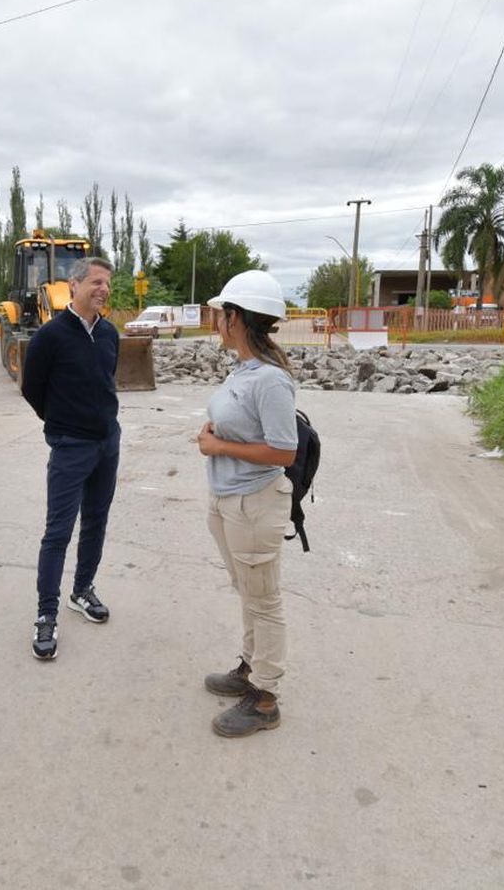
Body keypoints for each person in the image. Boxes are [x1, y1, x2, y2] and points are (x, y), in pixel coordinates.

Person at [196, 270, 297, 738]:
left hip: (255, 503)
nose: (217, 320)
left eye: (221, 314)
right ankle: (250, 669)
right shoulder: (243, 371)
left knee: (264, 598)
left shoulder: (271, 381)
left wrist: (220, 448)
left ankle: (265, 698)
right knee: (248, 591)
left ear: (234, 318)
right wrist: (214, 436)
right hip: (228, 499)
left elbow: (283, 451)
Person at [19, 256, 119, 660]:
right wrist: (61, 425)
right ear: (74, 285)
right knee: (58, 532)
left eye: (107, 284)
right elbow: (33, 388)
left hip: (107, 443)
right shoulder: (51, 335)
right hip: (71, 446)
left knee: (96, 521)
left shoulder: (110, 333)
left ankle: (82, 590)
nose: (103, 290)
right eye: (96, 282)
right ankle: (46, 614)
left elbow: (106, 380)